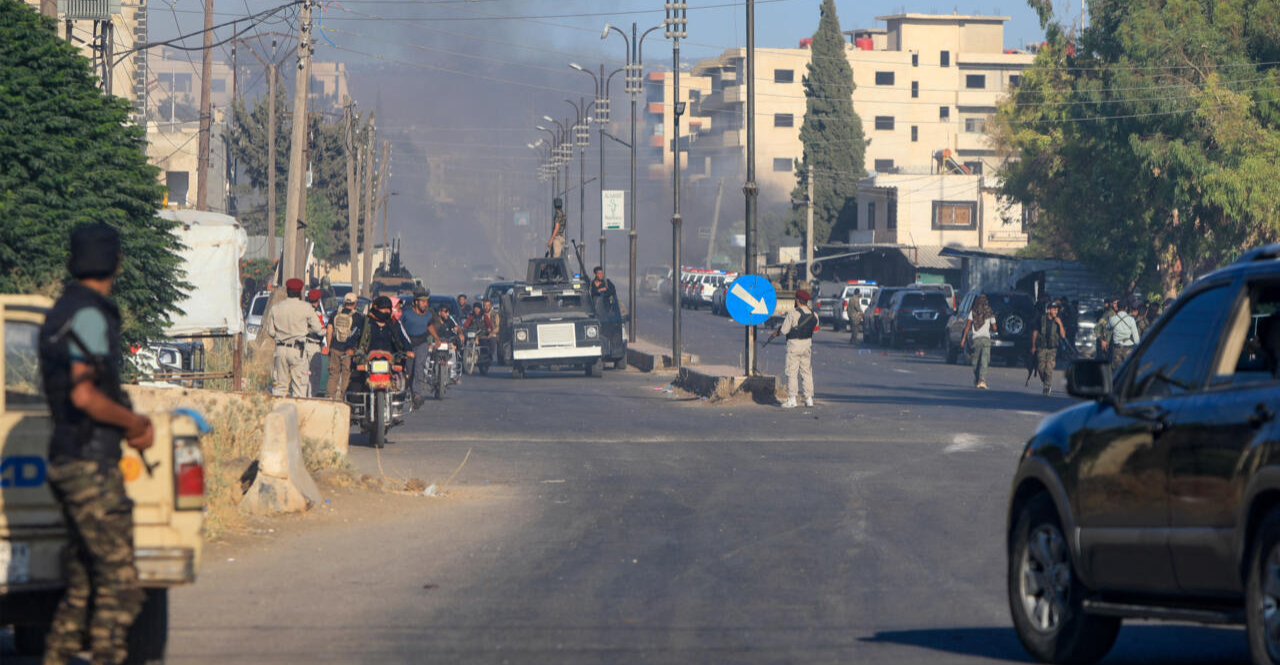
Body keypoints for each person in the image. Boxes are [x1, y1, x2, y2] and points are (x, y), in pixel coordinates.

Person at [38, 223, 153, 665]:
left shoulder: (60, 312)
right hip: (88, 463)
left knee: (85, 582)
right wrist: (134, 422)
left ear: (71, 263)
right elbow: (85, 394)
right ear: (117, 265)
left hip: (67, 457)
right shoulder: (88, 315)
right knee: (121, 582)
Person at [263, 278, 323, 397]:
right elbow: (318, 329)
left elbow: (271, 332)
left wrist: (282, 336)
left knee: (280, 387)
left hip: (280, 350)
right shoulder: (306, 307)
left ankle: (279, 413)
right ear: (300, 291)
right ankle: (298, 415)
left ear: (287, 292)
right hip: (298, 350)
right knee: (299, 388)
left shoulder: (276, 308)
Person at [771, 289, 817, 409]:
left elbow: (784, 330)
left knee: (792, 372)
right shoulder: (814, 314)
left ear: (797, 300)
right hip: (807, 345)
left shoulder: (793, 314)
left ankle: (792, 399)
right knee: (806, 372)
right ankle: (809, 399)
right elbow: (815, 328)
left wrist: (777, 332)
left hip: (794, 345)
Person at [400, 290, 435, 407]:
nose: (425, 304)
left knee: (419, 365)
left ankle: (418, 393)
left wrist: (437, 338)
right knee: (410, 369)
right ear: (415, 302)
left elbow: (430, 326)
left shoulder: (428, 314)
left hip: (422, 342)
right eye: (423, 302)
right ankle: (411, 391)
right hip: (409, 344)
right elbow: (400, 327)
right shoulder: (406, 314)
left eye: (426, 302)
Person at [326, 293, 363, 400]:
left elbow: (329, 331)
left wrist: (329, 347)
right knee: (346, 374)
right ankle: (344, 397)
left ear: (344, 302)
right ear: (355, 303)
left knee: (333, 374)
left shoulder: (334, 314)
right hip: (348, 350)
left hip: (334, 347)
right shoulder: (357, 316)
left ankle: (330, 397)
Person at [353, 295, 411, 364]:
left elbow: (402, 338)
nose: (386, 311)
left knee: (401, 373)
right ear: (376, 308)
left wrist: (408, 350)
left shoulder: (393, 323)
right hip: (368, 361)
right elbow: (353, 337)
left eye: (388, 309)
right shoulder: (365, 322)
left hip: (390, 361)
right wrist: (349, 348)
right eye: (383, 308)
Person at [1031, 300, 1067, 396]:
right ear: (1048, 310)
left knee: (1049, 368)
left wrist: (1060, 324)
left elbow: (1063, 336)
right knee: (1041, 368)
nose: (1056, 311)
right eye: (1054, 309)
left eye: (1056, 310)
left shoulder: (1058, 320)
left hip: (1052, 349)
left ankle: (1047, 387)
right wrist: (1033, 346)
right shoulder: (1041, 319)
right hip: (1041, 347)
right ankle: (1045, 381)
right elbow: (1035, 332)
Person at [961, 294, 997, 389]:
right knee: (984, 360)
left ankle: (980, 380)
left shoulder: (973, 312)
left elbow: (968, 326)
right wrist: (994, 328)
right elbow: (994, 327)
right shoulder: (990, 312)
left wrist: (964, 338)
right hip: (985, 339)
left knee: (975, 361)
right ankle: (980, 380)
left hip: (976, 339)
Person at [1108, 299, 1142, 366]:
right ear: (1126, 307)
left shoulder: (1112, 319)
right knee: (1128, 371)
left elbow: (1108, 327)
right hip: (1128, 350)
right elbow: (1136, 339)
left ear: (1117, 307)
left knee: (1117, 372)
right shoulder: (1131, 320)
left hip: (1117, 350)